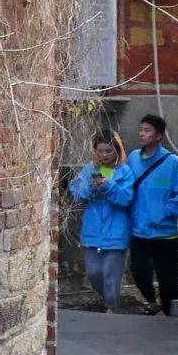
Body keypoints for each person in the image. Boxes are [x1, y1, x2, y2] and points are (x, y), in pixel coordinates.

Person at [127, 114, 178, 317]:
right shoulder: (133, 158)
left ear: (159, 136)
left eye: (147, 130)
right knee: (139, 272)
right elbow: (124, 184)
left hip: (165, 233)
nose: (142, 134)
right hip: (139, 229)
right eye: (141, 129)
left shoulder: (172, 162)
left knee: (168, 278)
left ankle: (169, 314)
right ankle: (151, 300)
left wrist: (167, 212)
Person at [68, 134, 136, 313]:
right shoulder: (89, 169)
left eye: (109, 150)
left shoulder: (125, 171)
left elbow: (126, 199)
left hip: (116, 230)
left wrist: (109, 186)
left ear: (117, 151)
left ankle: (111, 307)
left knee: (110, 275)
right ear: (95, 151)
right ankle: (107, 299)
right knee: (94, 273)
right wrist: (90, 186)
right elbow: (77, 193)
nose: (105, 155)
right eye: (100, 151)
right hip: (93, 229)